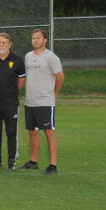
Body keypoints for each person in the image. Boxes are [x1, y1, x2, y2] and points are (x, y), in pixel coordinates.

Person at [20, 29, 64, 174]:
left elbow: (60, 76)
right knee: (32, 132)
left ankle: (53, 165)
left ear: (45, 40)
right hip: (29, 101)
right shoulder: (28, 56)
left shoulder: (51, 57)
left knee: (49, 132)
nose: (35, 40)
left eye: (38, 38)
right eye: (33, 38)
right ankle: (33, 161)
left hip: (45, 101)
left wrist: (54, 94)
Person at [0, 33, 26, 171]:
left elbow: (21, 81)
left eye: (4, 43)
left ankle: (11, 161)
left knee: (11, 133)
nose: (1, 45)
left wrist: (11, 92)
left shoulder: (17, 61)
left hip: (10, 104)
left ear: (10, 44)